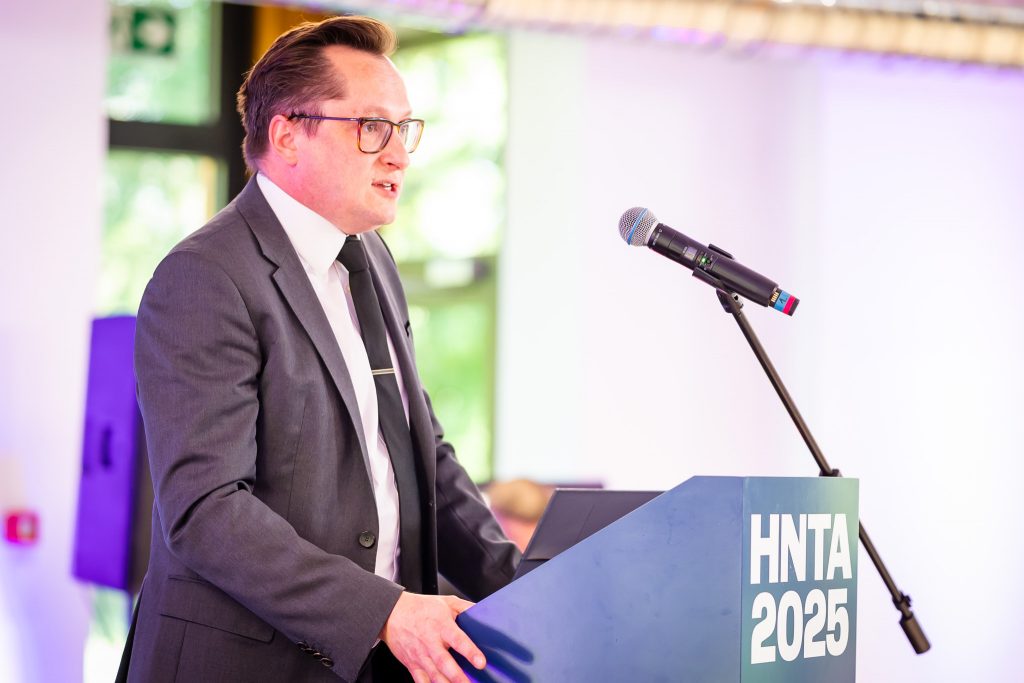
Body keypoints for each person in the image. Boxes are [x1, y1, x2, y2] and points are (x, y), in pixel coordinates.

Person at [118, 15, 520, 683]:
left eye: (404, 129)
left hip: (377, 662)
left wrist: (530, 590)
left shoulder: (373, 259)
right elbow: (206, 511)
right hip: (248, 665)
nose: (399, 155)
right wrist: (382, 610)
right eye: (372, 127)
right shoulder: (205, 276)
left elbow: (421, 456)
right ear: (287, 135)